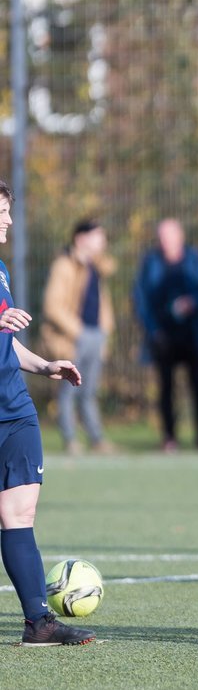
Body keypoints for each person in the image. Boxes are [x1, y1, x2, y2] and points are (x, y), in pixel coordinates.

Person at [0, 179, 94, 646]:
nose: (9, 220)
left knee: (20, 511)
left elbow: (6, 341)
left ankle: (39, 621)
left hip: (14, 409)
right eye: (2, 210)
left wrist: (44, 365)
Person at [133, 218, 198, 452]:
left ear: (180, 236)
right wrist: (154, 330)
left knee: (197, 388)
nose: (165, 241)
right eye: (162, 236)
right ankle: (169, 437)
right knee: (166, 389)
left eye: (170, 236)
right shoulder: (150, 262)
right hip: (164, 336)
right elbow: (141, 300)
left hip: (192, 335)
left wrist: (193, 301)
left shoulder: (195, 258)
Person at [40, 219, 115, 454]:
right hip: (74, 338)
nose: (102, 241)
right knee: (69, 391)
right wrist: (78, 331)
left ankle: (96, 439)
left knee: (90, 391)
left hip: (95, 336)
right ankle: (71, 439)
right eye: (97, 235)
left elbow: (102, 303)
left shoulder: (96, 266)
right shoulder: (64, 265)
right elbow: (52, 306)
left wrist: (104, 330)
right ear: (81, 238)